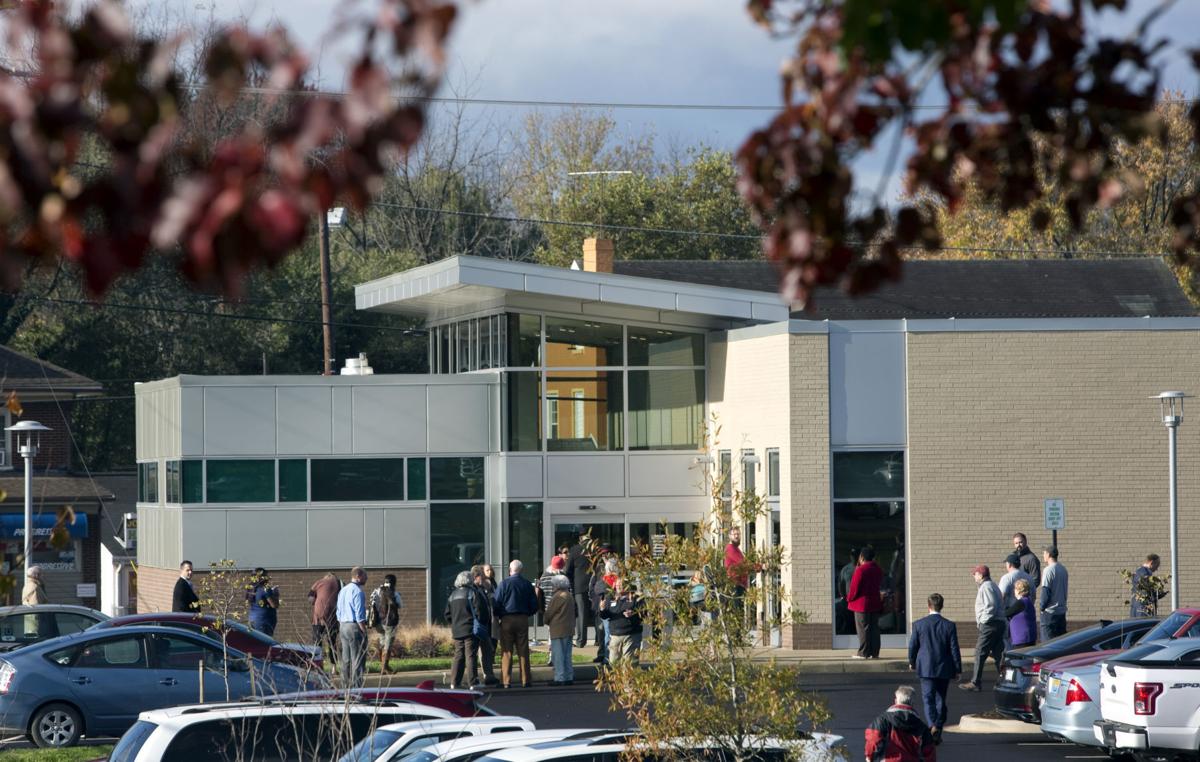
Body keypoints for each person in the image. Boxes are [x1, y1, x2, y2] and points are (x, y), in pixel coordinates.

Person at [907, 593, 960, 745]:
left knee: (928, 698)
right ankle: (938, 726)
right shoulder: (949, 625)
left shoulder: (919, 624)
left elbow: (913, 646)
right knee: (941, 699)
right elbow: (954, 649)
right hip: (944, 667)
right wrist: (957, 669)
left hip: (925, 667)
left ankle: (932, 725)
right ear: (941, 606)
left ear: (928, 606)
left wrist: (912, 661)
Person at [493, 559, 538, 688]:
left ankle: (506, 681)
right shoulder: (527, 584)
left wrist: (500, 615)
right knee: (523, 650)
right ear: (521, 570)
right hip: (522, 618)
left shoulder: (504, 584)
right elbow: (534, 604)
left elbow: (496, 603)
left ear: (510, 570)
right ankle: (526, 680)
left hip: (507, 619)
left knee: (506, 651)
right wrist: (527, 613)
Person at [960, 564, 1004, 692]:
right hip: (998, 624)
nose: (974, 576)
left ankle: (975, 682)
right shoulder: (993, 585)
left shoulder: (986, 587)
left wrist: (983, 622)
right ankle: (1004, 681)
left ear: (981, 575)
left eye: (975, 574)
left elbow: (991, 606)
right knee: (998, 654)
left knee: (980, 651)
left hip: (990, 624)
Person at [864, 685, 937, 762]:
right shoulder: (921, 726)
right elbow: (929, 752)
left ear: (896, 701)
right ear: (912, 703)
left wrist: (869, 756)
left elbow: (873, 739)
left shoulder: (882, 720)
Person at [444, 570, 482, 690]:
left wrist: (454, 623)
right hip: (470, 629)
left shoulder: (452, 595)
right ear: (469, 580)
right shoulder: (472, 593)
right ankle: (473, 682)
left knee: (458, 656)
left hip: (457, 630)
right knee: (470, 655)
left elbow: (447, 614)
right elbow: (479, 611)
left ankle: (454, 682)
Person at [848, 546, 883, 659]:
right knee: (874, 629)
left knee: (863, 629)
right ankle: (874, 652)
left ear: (862, 557)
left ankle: (863, 653)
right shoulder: (878, 569)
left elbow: (854, 588)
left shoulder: (861, 570)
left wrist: (849, 598)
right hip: (875, 603)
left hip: (861, 604)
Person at [336, 566, 369, 688]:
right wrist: (364, 631)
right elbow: (360, 614)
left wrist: (341, 624)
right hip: (354, 626)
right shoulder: (358, 591)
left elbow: (338, 611)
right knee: (357, 659)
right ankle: (356, 689)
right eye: (365, 576)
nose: (367, 578)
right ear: (358, 576)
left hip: (343, 626)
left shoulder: (343, 590)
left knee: (346, 660)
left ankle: (345, 687)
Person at [600, 578, 643, 666]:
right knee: (614, 664)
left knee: (629, 665)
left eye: (621, 584)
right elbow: (605, 616)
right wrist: (602, 609)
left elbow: (644, 614)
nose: (619, 586)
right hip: (615, 636)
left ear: (627, 586)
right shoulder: (610, 598)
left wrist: (633, 613)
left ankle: (629, 680)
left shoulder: (636, 598)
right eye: (617, 585)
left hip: (631, 635)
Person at [544, 575, 577, 685]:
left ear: (557, 585)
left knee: (558, 655)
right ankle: (568, 676)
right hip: (569, 628)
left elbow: (549, 613)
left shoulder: (557, 596)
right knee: (567, 654)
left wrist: (545, 620)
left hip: (558, 628)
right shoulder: (569, 595)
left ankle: (559, 677)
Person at [470, 565, 499, 686]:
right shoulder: (472, 590)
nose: (483, 578)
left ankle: (489, 675)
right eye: (481, 576)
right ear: (476, 577)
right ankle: (475, 678)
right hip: (477, 626)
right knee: (476, 652)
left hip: (485, 625)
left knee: (487, 650)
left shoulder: (483, 588)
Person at [369, 574, 404, 674]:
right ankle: (384, 667)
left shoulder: (376, 591)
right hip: (389, 623)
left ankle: (383, 666)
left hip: (378, 623)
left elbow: (372, 603)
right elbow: (401, 605)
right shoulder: (395, 593)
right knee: (387, 645)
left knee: (382, 642)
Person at [308, 572, 342, 668]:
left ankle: (317, 666)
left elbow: (310, 598)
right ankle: (333, 667)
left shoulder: (318, 582)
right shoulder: (339, 583)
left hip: (318, 618)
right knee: (332, 642)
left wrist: (317, 602)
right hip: (333, 618)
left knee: (317, 642)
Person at [590, 557, 617, 665]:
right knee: (607, 633)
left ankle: (608, 657)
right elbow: (595, 589)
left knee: (607, 633)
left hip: (608, 608)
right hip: (606, 608)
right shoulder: (606, 579)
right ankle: (606, 656)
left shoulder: (606, 579)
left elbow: (595, 589)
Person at [1039, 546, 1069, 642]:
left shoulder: (1048, 570)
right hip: (1061, 612)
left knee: (1047, 645)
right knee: (1060, 643)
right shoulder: (1063, 569)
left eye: (1044, 553)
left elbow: (1046, 591)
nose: (1043, 555)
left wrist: (1042, 607)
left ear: (1048, 555)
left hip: (1050, 613)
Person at [567, 537, 592, 648]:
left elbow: (568, 570)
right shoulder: (595, 550)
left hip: (579, 586)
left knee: (581, 614)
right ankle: (599, 640)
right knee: (597, 614)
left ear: (580, 539)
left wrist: (571, 584)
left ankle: (581, 640)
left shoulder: (574, 550)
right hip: (593, 585)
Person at [246, 567, 279, 636]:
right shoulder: (265, 589)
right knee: (265, 643)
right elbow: (274, 605)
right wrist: (275, 594)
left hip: (252, 619)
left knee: (255, 643)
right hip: (264, 621)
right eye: (266, 576)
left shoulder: (250, 588)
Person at [724, 527, 749, 615]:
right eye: (734, 534)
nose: (737, 536)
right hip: (735, 585)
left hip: (739, 585)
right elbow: (743, 564)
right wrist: (760, 566)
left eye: (738, 534)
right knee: (737, 612)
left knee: (739, 611)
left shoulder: (736, 549)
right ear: (729, 536)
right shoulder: (730, 549)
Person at [1006, 579, 1037, 648]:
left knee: (1019, 658)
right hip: (1028, 637)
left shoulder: (1021, 602)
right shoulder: (1027, 600)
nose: (1014, 590)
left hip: (1022, 639)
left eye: (1015, 588)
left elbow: (1007, 613)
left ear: (1018, 590)